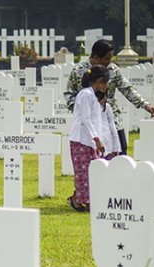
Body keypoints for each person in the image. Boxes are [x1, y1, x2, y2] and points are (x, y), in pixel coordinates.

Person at [64, 39, 154, 155]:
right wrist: (81, 111)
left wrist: (145, 105)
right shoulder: (79, 71)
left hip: (112, 119)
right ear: (96, 57)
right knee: (96, 157)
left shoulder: (113, 69)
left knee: (121, 151)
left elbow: (127, 89)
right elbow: (69, 94)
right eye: (107, 58)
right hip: (90, 125)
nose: (110, 61)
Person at [68, 65, 109, 212]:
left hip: (90, 141)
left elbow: (96, 120)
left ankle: (84, 200)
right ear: (98, 81)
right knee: (83, 174)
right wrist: (96, 139)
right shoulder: (85, 95)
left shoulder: (93, 96)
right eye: (105, 81)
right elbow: (86, 119)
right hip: (81, 139)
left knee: (93, 172)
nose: (107, 85)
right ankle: (81, 201)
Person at [98, 90, 121, 160]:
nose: (105, 99)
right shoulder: (92, 106)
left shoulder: (107, 107)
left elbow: (112, 125)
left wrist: (116, 146)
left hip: (108, 139)